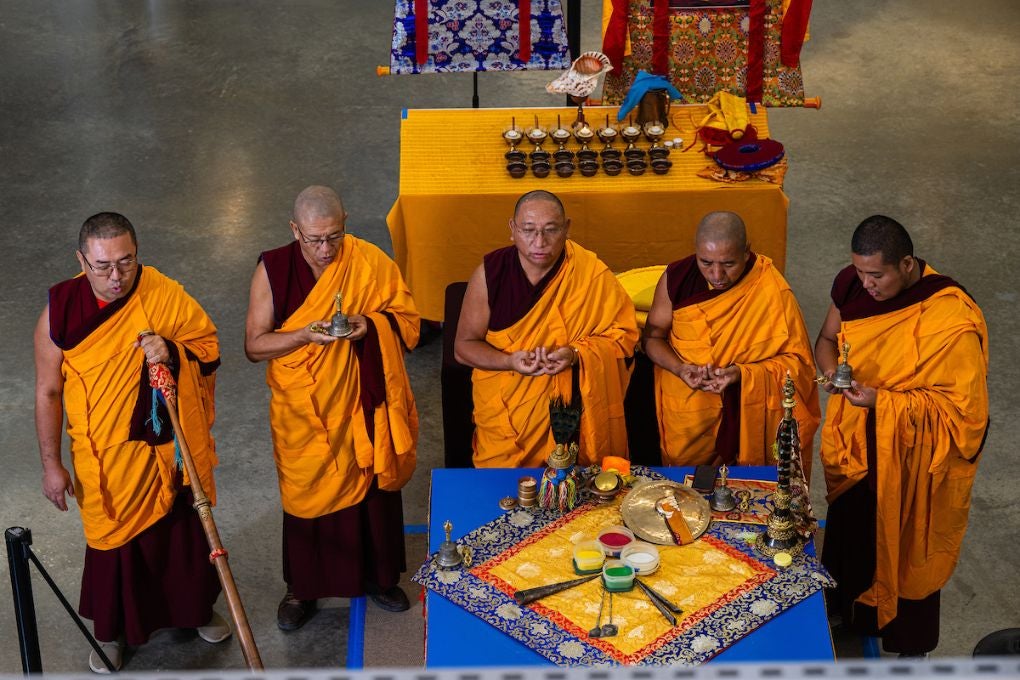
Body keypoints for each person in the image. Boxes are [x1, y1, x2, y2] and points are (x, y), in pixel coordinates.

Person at [34, 212, 228, 673]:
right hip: (105, 453)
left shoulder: (160, 292)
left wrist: (173, 352)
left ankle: (194, 611)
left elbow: (207, 347)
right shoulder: (59, 312)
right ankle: (113, 632)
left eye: (126, 262)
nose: (116, 277)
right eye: (102, 266)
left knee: (181, 536)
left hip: (166, 446)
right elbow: (48, 391)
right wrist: (51, 465)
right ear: (81, 260)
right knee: (113, 546)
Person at [245, 185, 419, 630]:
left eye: (334, 237)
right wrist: (303, 334)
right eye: (314, 239)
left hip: (363, 402)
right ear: (294, 231)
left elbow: (409, 321)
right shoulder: (274, 269)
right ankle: (302, 588)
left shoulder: (368, 260)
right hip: (303, 410)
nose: (325, 250)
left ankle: (378, 578)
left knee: (372, 487)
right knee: (306, 495)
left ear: (345, 224)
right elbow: (255, 345)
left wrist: (371, 325)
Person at [815, 215, 989, 657]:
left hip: (914, 458)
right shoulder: (851, 287)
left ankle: (909, 648)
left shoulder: (949, 315)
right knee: (852, 532)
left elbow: (965, 416)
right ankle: (846, 616)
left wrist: (883, 402)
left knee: (909, 544)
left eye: (877, 275)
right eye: (859, 272)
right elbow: (825, 340)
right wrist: (834, 375)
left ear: (907, 264)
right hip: (857, 444)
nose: (866, 284)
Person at [454, 190, 638, 467]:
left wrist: (575, 354)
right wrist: (510, 361)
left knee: (581, 493)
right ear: (512, 230)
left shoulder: (589, 272)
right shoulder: (490, 275)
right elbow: (463, 347)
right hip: (510, 414)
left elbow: (624, 337)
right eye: (528, 230)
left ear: (567, 229)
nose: (539, 242)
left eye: (551, 230)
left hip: (573, 412)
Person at [642, 211, 820, 467]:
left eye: (728, 264)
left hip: (750, 414)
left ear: (746, 252)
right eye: (706, 262)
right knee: (684, 491)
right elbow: (652, 338)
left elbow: (799, 365)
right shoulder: (676, 279)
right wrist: (679, 368)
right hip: (690, 412)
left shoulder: (770, 288)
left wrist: (743, 374)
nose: (716, 275)